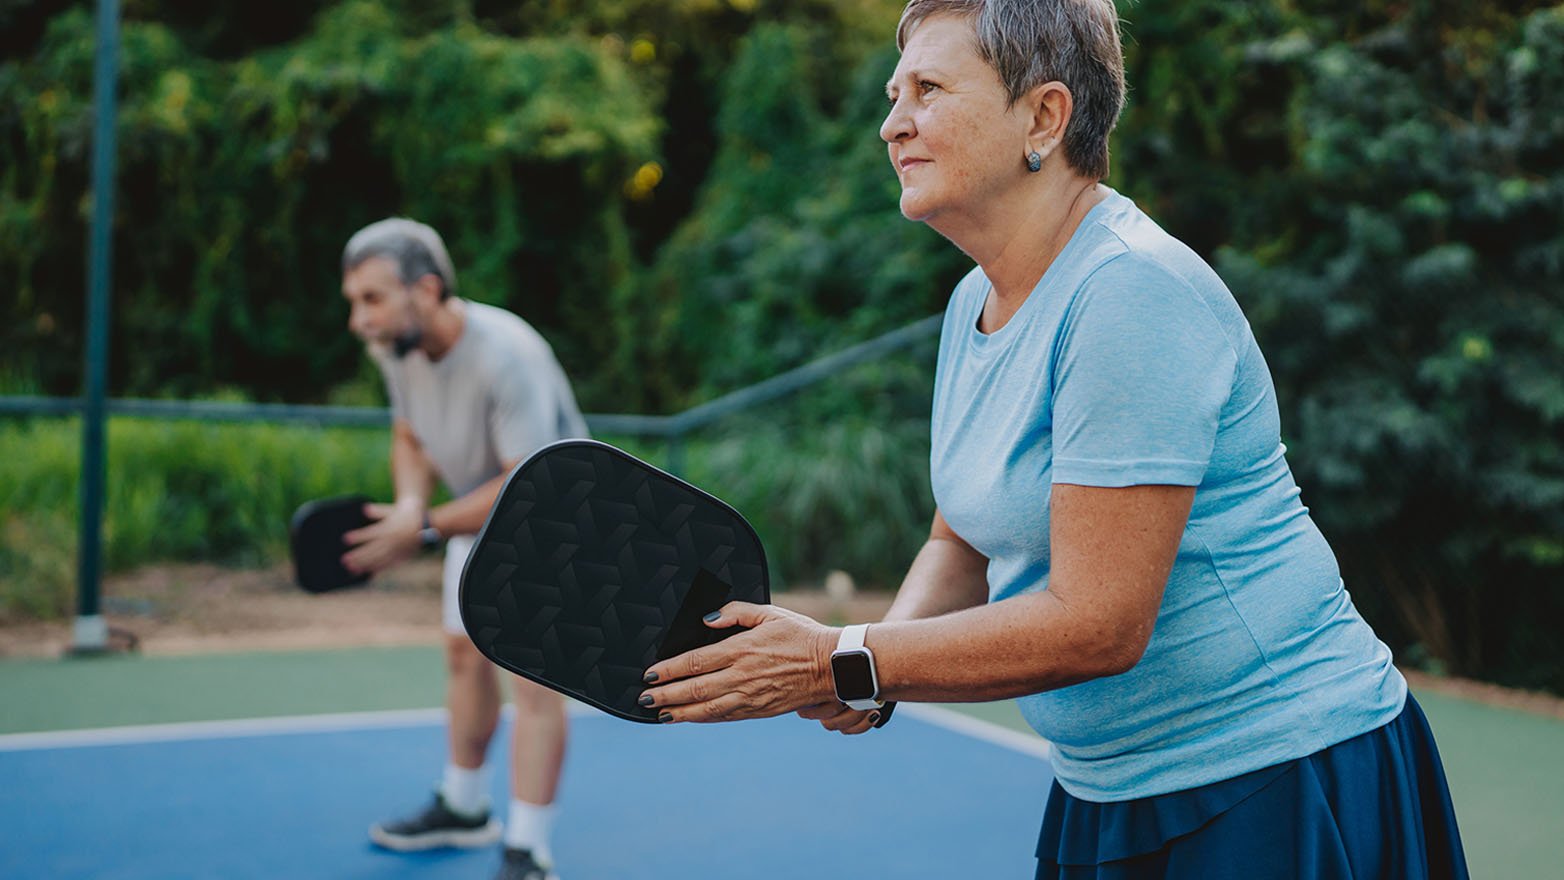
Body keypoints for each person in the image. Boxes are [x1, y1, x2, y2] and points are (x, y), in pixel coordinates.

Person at [637, 2, 1470, 878]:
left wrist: (840, 660)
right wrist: (871, 669)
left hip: (1271, 778)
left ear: (1044, 115)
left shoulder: (1128, 293)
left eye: (927, 89)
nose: (892, 123)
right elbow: (958, 534)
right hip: (1105, 786)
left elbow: (1100, 624)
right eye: (894, 94)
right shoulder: (974, 303)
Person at [339, 218, 587, 880]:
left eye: (372, 299)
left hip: (549, 521)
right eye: (353, 302)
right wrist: (411, 506)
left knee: (531, 682)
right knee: (463, 656)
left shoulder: (507, 353)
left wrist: (421, 530)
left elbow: (526, 476)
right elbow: (410, 434)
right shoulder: (399, 349)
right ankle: (465, 806)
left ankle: (528, 849)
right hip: (472, 519)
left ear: (425, 289)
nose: (359, 320)